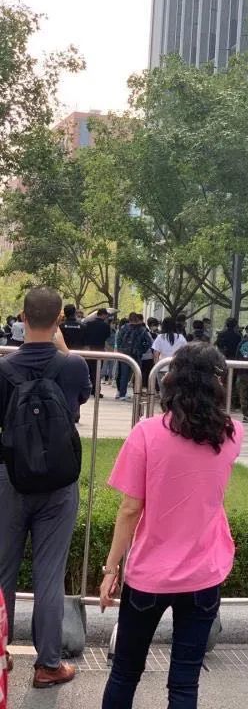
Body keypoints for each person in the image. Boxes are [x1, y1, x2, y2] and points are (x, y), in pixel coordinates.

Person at [99, 345, 242, 708]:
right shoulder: (232, 434)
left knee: (125, 673)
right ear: (218, 383)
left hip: (149, 575)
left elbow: (130, 509)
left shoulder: (146, 433)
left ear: (172, 379)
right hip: (204, 574)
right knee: (184, 683)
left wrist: (111, 568)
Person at [0, 287, 91, 689]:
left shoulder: (3, 369)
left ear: (22, 317)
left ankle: (0, 653)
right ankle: (48, 665)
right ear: (59, 320)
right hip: (58, 482)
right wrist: (62, 344)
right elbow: (80, 399)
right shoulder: (72, 366)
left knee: (2, 570)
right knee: (49, 574)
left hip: (10, 477)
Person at [116, 313, 153, 401]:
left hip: (125, 354)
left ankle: (122, 394)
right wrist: (142, 350)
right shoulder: (142, 329)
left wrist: (120, 349)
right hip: (137, 354)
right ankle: (137, 393)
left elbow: (118, 339)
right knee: (137, 374)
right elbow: (149, 342)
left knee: (124, 375)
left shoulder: (124, 328)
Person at [83, 308, 111, 397]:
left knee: (90, 370)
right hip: (100, 350)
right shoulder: (106, 326)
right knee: (97, 371)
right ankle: (96, 390)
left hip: (89, 350)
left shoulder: (88, 324)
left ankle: (90, 388)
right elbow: (107, 336)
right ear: (103, 315)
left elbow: (85, 336)